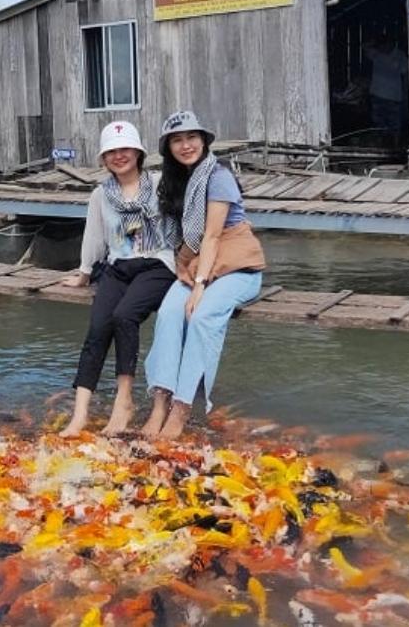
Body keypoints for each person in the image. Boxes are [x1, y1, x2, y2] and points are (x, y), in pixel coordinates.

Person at [141, 111, 266, 440]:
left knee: (202, 315)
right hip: (198, 264)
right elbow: (177, 237)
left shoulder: (218, 176)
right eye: (177, 140)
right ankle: (160, 403)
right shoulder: (174, 181)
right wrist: (184, 270)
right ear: (168, 148)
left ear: (204, 141)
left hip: (236, 267)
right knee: (169, 313)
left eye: (191, 138)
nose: (186, 145)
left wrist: (199, 287)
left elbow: (211, 236)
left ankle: (181, 410)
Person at [59, 121, 176, 437]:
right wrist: (84, 274)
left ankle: (124, 401)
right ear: (103, 159)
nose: (119, 156)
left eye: (125, 149)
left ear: (138, 153)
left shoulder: (163, 183)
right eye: (111, 151)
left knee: (125, 316)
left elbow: (187, 220)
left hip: (157, 263)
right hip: (119, 266)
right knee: (98, 327)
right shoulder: (100, 194)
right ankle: (80, 413)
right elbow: (94, 236)